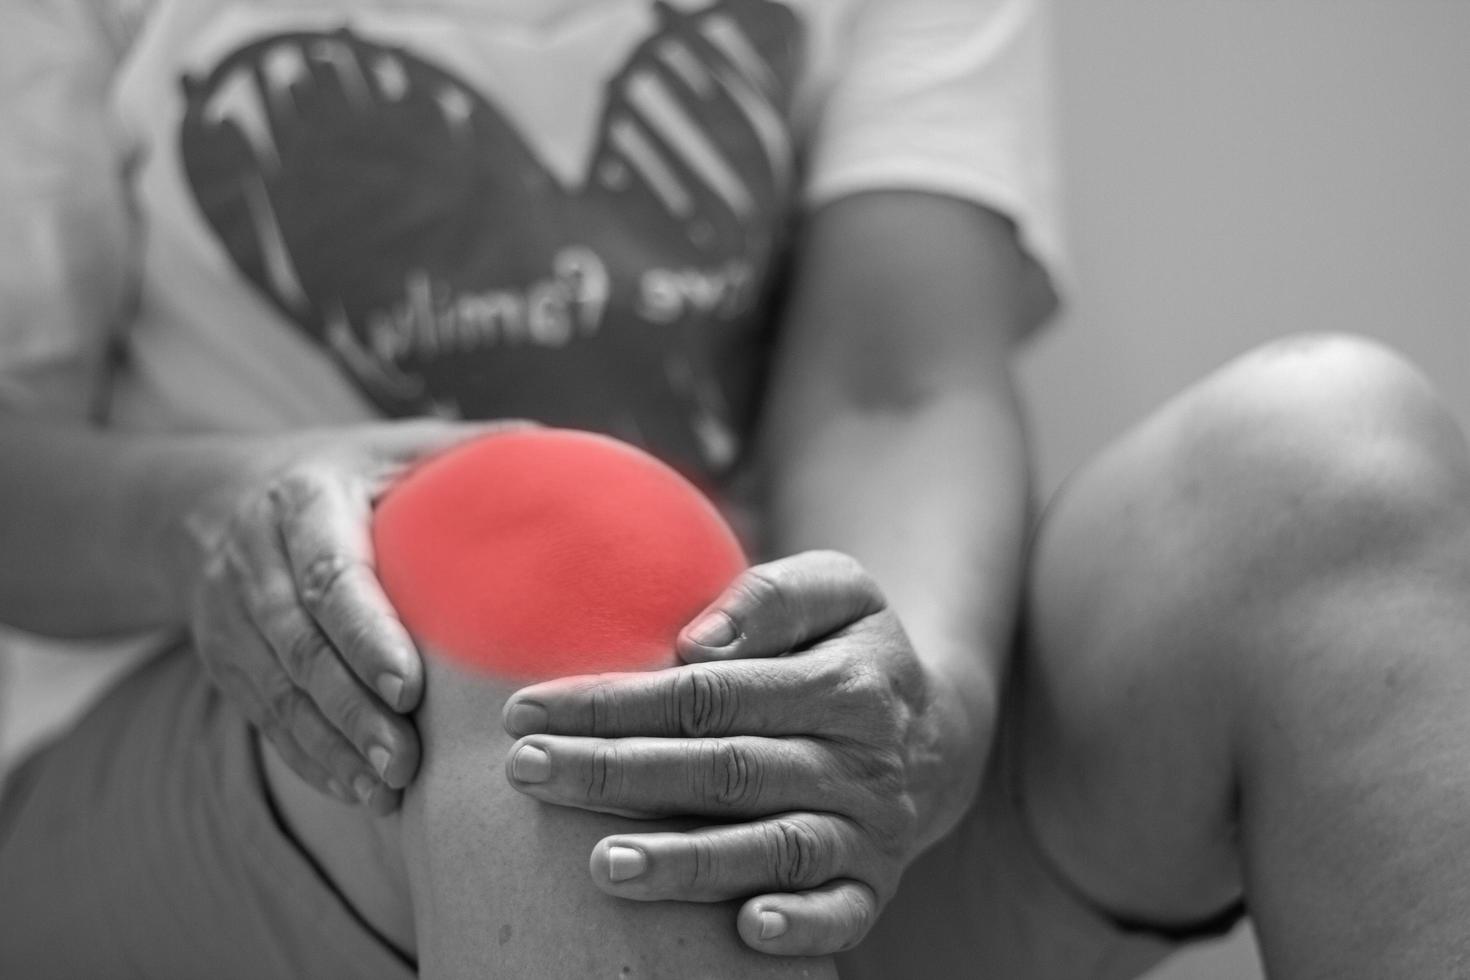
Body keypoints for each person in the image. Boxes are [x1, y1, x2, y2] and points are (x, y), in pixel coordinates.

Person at [0, 0, 1058, 975]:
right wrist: (210, 516)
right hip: (176, 727)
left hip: (756, 713)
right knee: (565, 557)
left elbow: (901, 385)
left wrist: (913, 717)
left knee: (1228, 503)